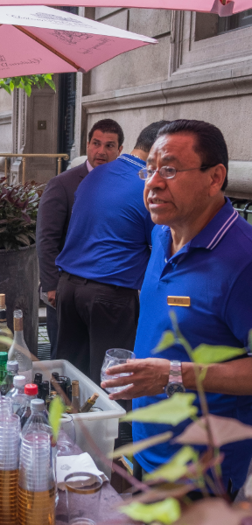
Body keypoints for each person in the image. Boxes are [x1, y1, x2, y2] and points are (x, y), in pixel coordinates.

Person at [101, 120, 252, 495]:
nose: (153, 183)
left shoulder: (243, 261)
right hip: (150, 451)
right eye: (149, 169)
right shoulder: (162, 233)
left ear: (214, 178)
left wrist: (173, 374)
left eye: (169, 169)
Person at [53, 121, 168, 383]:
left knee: (68, 376)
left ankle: (62, 423)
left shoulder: (96, 173)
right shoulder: (148, 186)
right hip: (109, 295)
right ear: (158, 150)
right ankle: (106, 426)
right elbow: (161, 246)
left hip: (69, 288)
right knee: (110, 382)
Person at [36, 118, 124, 357]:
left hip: (107, 293)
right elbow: (46, 238)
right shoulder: (62, 184)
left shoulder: (125, 186)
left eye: (109, 146)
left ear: (120, 150)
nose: (101, 151)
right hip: (66, 289)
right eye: (96, 143)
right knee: (67, 360)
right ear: (87, 145)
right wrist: (51, 286)